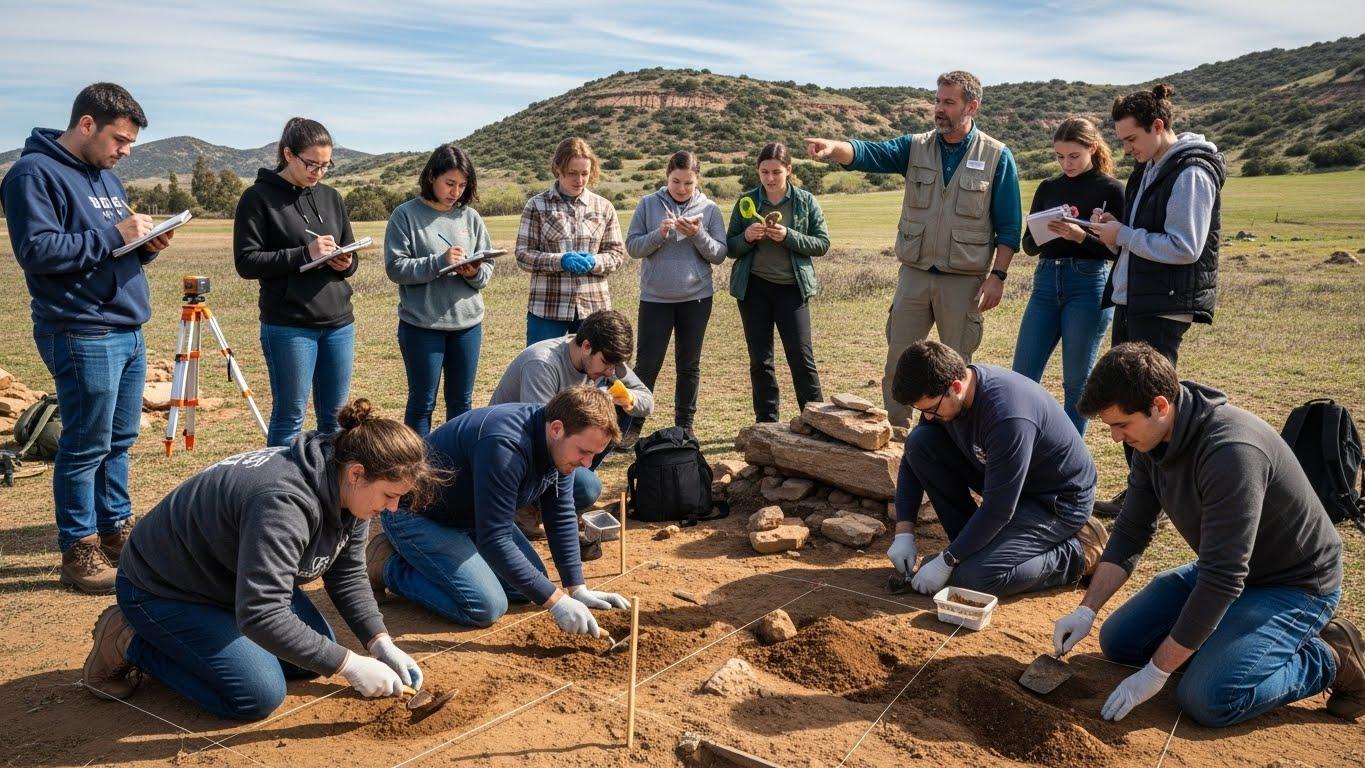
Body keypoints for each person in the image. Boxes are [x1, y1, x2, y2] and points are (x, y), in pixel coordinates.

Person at [1052, 343, 1360, 726]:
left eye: (1122, 425)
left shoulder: (1231, 453)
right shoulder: (1152, 441)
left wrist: (1156, 672)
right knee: (1120, 641)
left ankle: (1332, 656)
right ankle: (1224, 642)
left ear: (1159, 406)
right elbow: (1131, 531)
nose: (1115, 437)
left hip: (1293, 586)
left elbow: (1223, 578)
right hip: (1228, 571)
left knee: (1207, 698)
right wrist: (1087, 610)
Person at [80, 400, 444, 720]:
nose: (393, 507)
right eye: (390, 495)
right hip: (164, 588)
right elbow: (261, 613)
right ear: (357, 474)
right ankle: (130, 640)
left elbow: (346, 573)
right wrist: (347, 664)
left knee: (310, 658)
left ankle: (215, 640)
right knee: (256, 694)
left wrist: (380, 643)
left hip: (228, 578)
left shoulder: (348, 490)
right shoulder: (282, 503)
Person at [1, 83, 175, 593]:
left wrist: (146, 246)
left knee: (119, 440)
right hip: (80, 328)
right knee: (84, 445)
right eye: (120, 140)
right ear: (86, 124)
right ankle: (78, 548)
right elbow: (37, 251)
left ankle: (116, 529)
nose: (126, 151)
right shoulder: (33, 174)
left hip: (126, 326)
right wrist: (115, 235)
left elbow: (108, 252)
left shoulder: (106, 177)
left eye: (131, 143)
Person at [804, 70, 1022, 426]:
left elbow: (1010, 226)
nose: (939, 109)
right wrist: (834, 148)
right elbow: (870, 153)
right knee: (899, 364)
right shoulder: (915, 146)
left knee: (958, 371)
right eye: (937, 100)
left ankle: (956, 441)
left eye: (948, 102)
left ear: (972, 107)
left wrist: (997, 276)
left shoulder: (997, 156)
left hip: (964, 280)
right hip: (915, 275)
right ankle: (897, 436)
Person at [368, 387, 631, 632]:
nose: (587, 464)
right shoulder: (505, 445)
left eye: (594, 455)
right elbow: (494, 539)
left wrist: (577, 588)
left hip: (472, 516)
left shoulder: (559, 444)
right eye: (584, 452)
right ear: (556, 429)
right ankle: (388, 565)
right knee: (485, 606)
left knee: (531, 585)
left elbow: (560, 513)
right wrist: (557, 602)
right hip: (416, 514)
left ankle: (434, 556)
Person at [886, 341, 1107, 597]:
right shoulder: (949, 397)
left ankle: (1077, 553)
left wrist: (948, 560)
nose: (927, 417)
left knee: (973, 578)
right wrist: (904, 532)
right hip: (1009, 484)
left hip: (1055, 502)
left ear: (955, 387)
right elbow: (914, 454)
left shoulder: (1007, 418)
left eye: (930, 409)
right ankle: (975, 547)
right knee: (920, 442)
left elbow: (999, 508)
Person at [234, 117, 359, 447]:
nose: (318, 172)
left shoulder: (331, 197)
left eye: (325, 165)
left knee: (336, 420)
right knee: (290, 417)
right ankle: (279, 480)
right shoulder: (257, 198)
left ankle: (327, 480)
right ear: (288, 154)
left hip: (339, 323)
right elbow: (246, 262)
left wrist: (347, 262)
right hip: (289, 325)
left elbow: (349, 250)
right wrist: (304, 254)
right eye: (311, 164)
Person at [1089, 84, 1224, 369]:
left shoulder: (1191, 173)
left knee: (1150, 392)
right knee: (1124, 388)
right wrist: (1112, 234)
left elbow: (1184, 247)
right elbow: (1137, 239)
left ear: (1158, 126)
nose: (1126, 149)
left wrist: (1123, 234)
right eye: (1122, 141)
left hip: (1161, 307)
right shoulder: (1147, 169)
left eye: (1131, 139)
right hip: (1135, 300)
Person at [1011, 118, 1126, 434]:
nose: (1067, 163)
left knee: (1076, 383)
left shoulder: (1112, 190)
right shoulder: (1048, 187)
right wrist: (1045, 231)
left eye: (1074, 156)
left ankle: (1067, 455)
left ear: (1093, 148)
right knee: (1021, 376)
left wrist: (1081, 237)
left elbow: (1118, 251)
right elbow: (1028, 246)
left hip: (1088, 284)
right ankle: (1019, 443)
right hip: (1046, 281)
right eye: (1060, 157)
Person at [489, 309, 653, 514]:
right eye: (605, 363)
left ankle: (562, 487)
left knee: (620, 408)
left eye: (615, 365)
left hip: (558, 441)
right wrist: (599, 398)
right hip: (514, 454)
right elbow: (542, 432)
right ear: (586, 346)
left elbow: (647, 401)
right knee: (587, 488)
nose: (610, 372)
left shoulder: (608, 357)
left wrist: (627, 398)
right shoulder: (542, 363)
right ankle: (526, 505)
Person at [384, 144, 494, 436]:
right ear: (432, 176)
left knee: (461, 402)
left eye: (462, 185)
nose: (455, 191)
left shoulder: (470, 217)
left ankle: (457, 458)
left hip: (468, 326)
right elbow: (395, 268)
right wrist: (438, 262)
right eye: (449, 183)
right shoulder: (405, 215)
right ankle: (416, 462)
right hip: (422, 326)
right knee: (422, 403)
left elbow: (487, 267)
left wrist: (473, 272)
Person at [725, 142, 830, 423]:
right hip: (753, 290)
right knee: (761, 360)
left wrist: (788, 236)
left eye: (776, 172)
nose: (770, 178)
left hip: (792, 290)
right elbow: (730, 247)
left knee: (801, 357)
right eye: (764, 172)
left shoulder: (805, 201)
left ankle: (817, 422)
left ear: (789, 170)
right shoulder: (747, 201)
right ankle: (767, 423)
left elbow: (822, 243)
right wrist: (747, 237)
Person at [625, 150, 726, 437]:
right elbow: (633, 247)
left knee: (689, 365)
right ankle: (632, 426)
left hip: (696, 299)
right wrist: (658, 234)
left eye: (688, 183)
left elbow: (719, 254)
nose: (682, 189)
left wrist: (697, 235)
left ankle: (685, 426)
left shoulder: (710, 209)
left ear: (698, 181)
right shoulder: (648, 204)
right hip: (655, 298)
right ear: (667, 177)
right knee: (647, 364)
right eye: (676, 182)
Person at [515, 137, 625, 346]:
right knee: (541, 365)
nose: (579, 180)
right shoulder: (536, 205)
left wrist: (595, 261)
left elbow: (617, 254)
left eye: (585, 173)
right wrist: (560, 260)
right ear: (558, 168)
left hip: (593, 310)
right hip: (547, 309)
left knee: (592, 366)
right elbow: (523, 255)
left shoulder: (604, 207)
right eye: (572, 173)